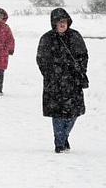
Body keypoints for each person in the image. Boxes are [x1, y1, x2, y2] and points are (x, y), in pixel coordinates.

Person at [36, 8, 88, 153]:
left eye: (64, 21)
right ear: (54, 23)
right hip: (55, 83)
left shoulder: (75, 36)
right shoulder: (47, 38)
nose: (62, 24)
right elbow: (41, 59)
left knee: (73, 113)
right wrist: (50, 75)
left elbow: (84, 55)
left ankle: (64, 137)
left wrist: (81, 71)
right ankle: (59, 143)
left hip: (73, 81)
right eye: (59, 22)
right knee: (57, 114)